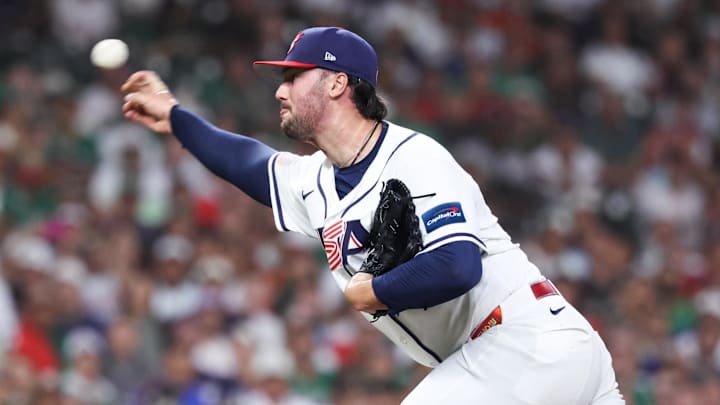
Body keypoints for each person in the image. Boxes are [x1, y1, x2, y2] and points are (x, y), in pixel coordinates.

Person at [121, 26, 624, 404]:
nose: (280, 90)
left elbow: (458, 265)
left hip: (521, 336)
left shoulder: (412, 157)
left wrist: (373, 290)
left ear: (338, 83)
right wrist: (176, 116)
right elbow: (247, 163)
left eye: (294, 77)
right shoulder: (313, 180)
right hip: (525, 354)